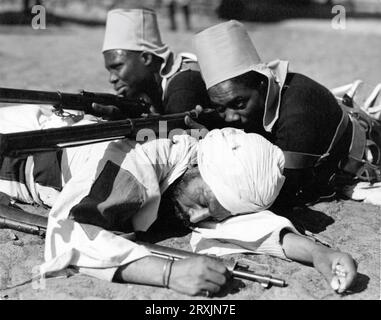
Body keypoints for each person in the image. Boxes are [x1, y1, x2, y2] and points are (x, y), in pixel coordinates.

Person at [0, 104, 357, 296]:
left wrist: (318, 254)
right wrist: (170, 273)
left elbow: (241, 224)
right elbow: (71, 234)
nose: (199, 216)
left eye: (212, 211)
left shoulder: (196, 178)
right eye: (204, 199)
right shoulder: (139, 163)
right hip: (13, 156)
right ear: (198, 163)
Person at [191, 20, 381, 207]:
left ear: (262, 83)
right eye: (220, 108)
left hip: (364, 159)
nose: (230, 117)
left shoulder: (296, 113)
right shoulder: (267, 94)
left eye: (239, 103)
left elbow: (278, 193)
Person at [93, 7, 210, 120]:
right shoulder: (152, 87)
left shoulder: (183, 86)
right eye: (109, 70)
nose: (111, 79)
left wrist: (125, 122)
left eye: (117, 67)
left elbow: (176, 135)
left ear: (146, 58)